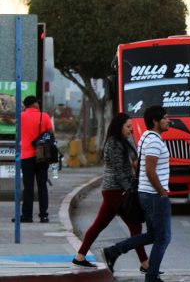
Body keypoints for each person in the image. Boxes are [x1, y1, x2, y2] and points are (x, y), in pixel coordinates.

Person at [72, 113, 150, 272]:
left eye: (131, 127)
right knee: (135, 226)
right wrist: (129, 190)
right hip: (116, 191)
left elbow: (134, 160)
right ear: (118, 126)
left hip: (114, 191)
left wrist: (131, 140)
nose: (131, 129)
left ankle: (80, 256)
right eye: (128, 126)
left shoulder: (122, 142)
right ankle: (145, 264)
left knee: (101, 224)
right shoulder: (114, 144)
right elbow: (119, 170)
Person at [103, 106, 171, 282]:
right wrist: (162, 192)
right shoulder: (155, 142)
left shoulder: (145, 138)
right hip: (155, 196)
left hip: (146, 194)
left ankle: (114, 250)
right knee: (163, 238)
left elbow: (139, 165)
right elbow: (149, 170)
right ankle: (152, 276)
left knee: (152, 235)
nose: (168, 120)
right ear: (155, 121)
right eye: (165, 117)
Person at [15, 95, 53, 223]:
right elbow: (51, 133)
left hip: (26, 156)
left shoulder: (20, 116)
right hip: (42, 156)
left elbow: (18, 132)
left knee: (28, 186)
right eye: (37, 102)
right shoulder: (44, 116)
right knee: (42, 186)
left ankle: (27, 216)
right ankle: (44, 215)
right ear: (34, 104)